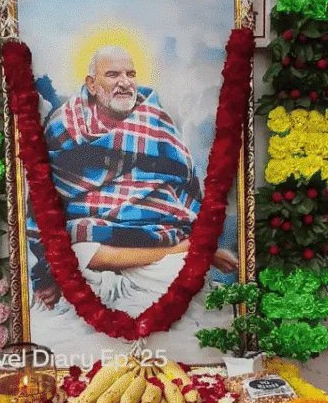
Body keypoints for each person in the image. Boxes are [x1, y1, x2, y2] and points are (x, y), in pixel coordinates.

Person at [28, 47, 238, 315]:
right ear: (92, 84)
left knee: (178, 278)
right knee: (78, 248)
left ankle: (181, 251)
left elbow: (185, 184)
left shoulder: (156, 121)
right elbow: (41, 201)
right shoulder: (64, 127)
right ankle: (182, 250)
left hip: (156, 227)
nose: (124, 82)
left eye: (130, 74)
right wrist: (45, 275)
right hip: (93, 233)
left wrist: (204, 242)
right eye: (113, 74)